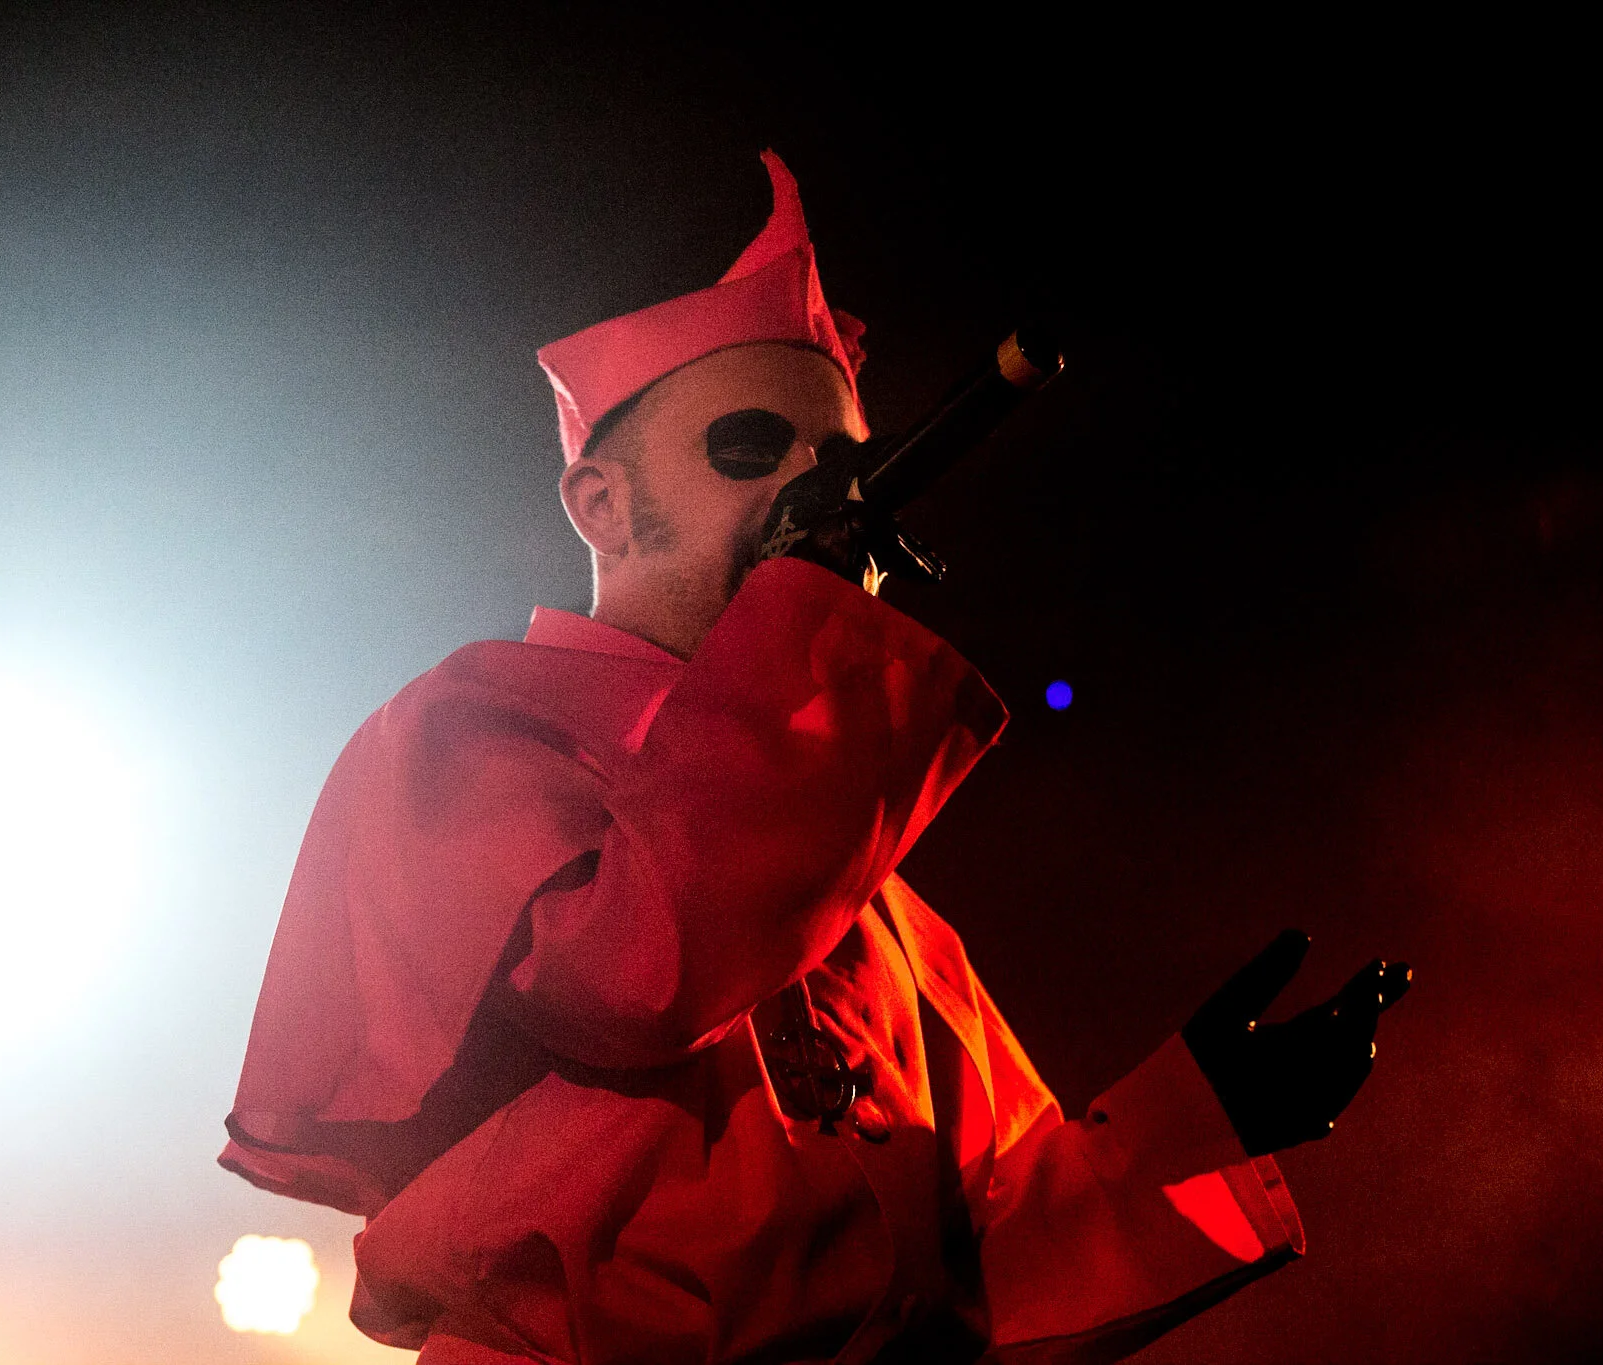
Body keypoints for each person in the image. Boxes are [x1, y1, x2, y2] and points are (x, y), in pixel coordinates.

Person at [220, 151, 1411, 1364]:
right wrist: (808, 636)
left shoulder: (868, 896)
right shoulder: (469, 733)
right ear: (601, 505)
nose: (812, 492)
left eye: (836, 465)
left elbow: (985, 1277)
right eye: (750, 448)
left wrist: (1197, 1124)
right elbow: (635, 976)